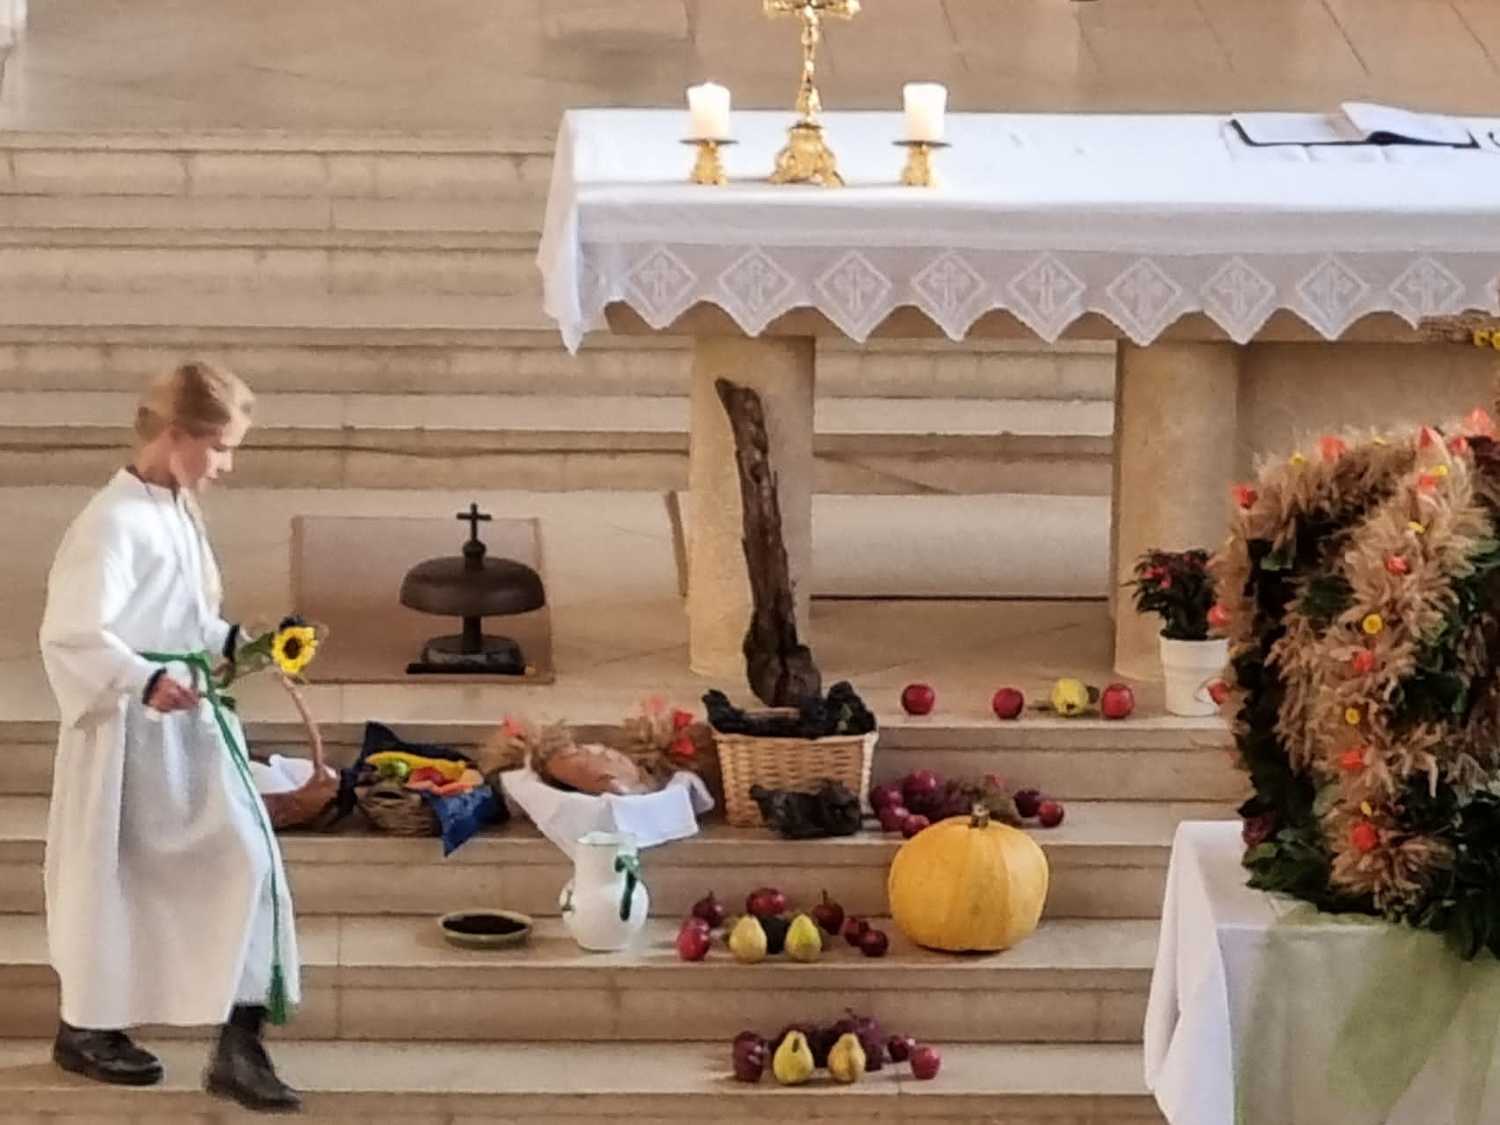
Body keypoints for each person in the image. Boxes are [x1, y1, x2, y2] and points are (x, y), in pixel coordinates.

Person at [38, 361, 302, 1113]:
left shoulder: (174, 510)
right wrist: (143, 678)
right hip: (128, 736)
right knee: (116, 875)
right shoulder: (111, 522)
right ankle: (88, 1026)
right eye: (219, 447)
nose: (226, 465)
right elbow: (72, 633)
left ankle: (237, 1045)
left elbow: (185, 615)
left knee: (247, 863)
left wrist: (244, 643)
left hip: (184, 727)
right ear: (178, 434)